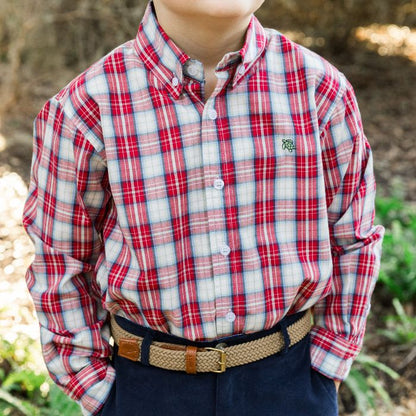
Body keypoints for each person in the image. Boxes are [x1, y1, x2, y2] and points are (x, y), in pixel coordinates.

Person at [23, 0, 384, 415]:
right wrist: (96, 389)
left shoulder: (319, 89)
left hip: (290, 382)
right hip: (150, 388)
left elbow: (354, 234)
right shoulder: (85, 109)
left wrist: (327, 363)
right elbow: (61, 258)